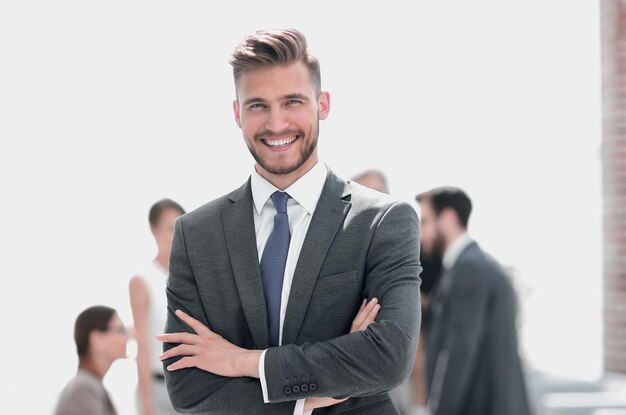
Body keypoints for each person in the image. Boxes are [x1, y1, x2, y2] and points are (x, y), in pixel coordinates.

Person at [157, 28, 422, 415]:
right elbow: (187, 387)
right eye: (258, 105)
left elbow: (388, 356)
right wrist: (308, 396)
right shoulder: (196, 235)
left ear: (323, 104)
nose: (276, 123)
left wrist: (241, 361)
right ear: (237, 113)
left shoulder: (382, 223)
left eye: (292, 101)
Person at [415, 187, 530, 415]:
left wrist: (439, 410)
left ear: (447, 218)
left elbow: (460, 349)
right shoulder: (471, 265)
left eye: (425, 222)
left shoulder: (468, 269)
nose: (421, 234)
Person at [129, 198, 185, 415]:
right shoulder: (143, 280)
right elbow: (141, 346)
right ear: (154, 230)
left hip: (190, 388)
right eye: (170, 228)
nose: (176, 235)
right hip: (158, 389)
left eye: (180, 227)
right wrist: (146, 404)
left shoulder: (190, 279)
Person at [54, 305, 128, 415]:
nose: (128, 336)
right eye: (121, 330)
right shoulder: (84, 388)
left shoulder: (90, 385)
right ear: (97, 339)